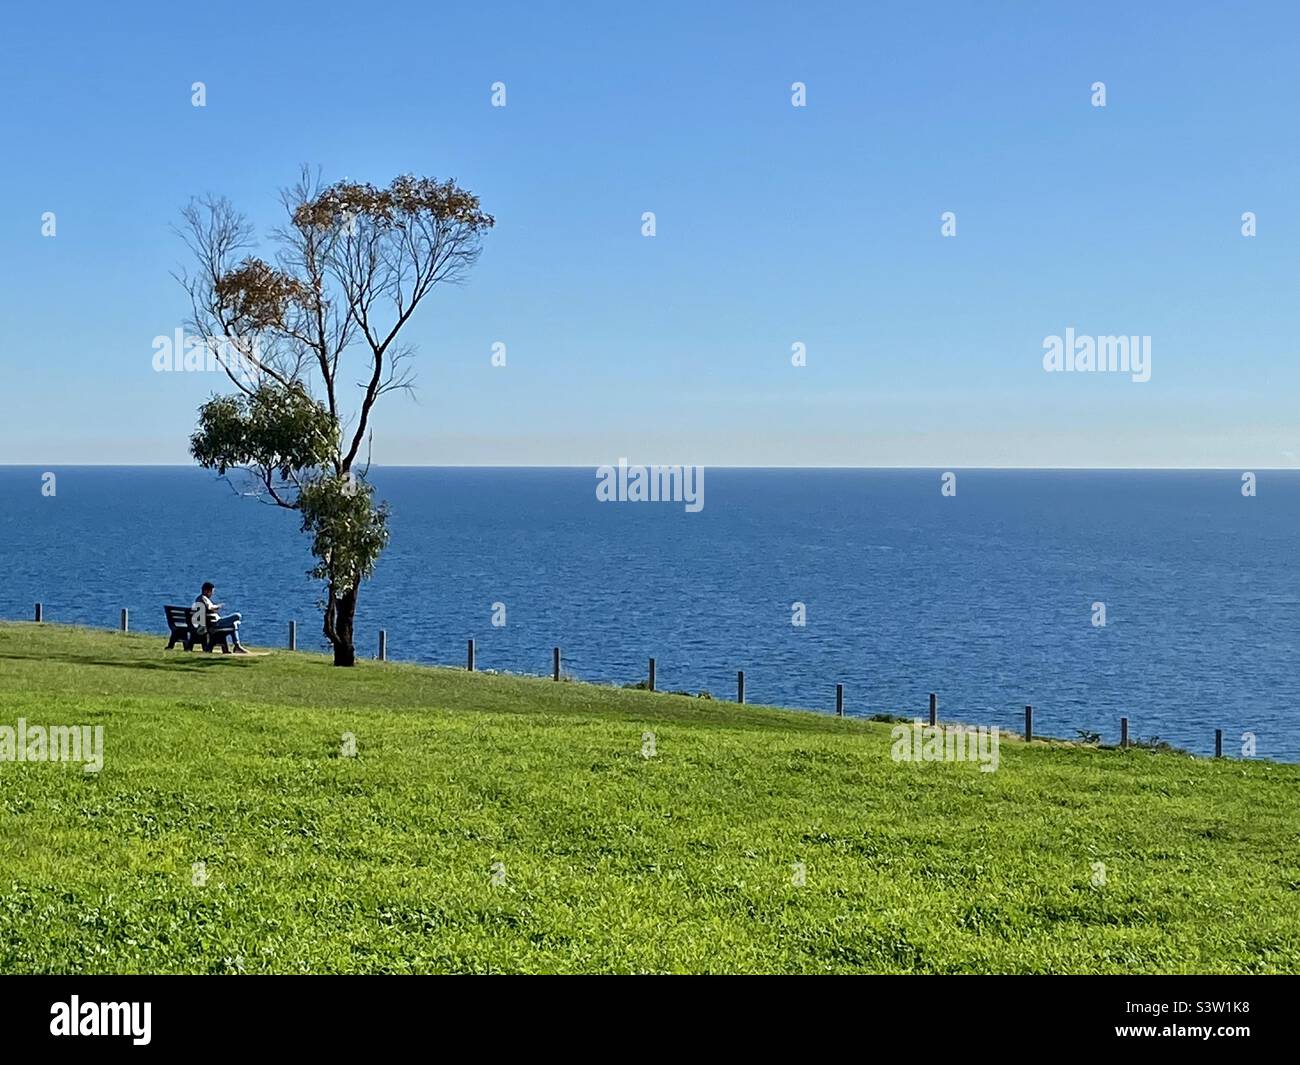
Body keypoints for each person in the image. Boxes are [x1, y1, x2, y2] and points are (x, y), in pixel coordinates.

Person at [193, 582, 248, 653]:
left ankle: (237, 646)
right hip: (215, 623)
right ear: (206, 591)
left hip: (213, 622)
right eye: (211, 592)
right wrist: (218, 606)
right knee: (237, 616)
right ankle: (237, 646)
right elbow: (209, 607)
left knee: (234, 624)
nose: (212, 594)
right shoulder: (203, 598)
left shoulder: (199, 599)